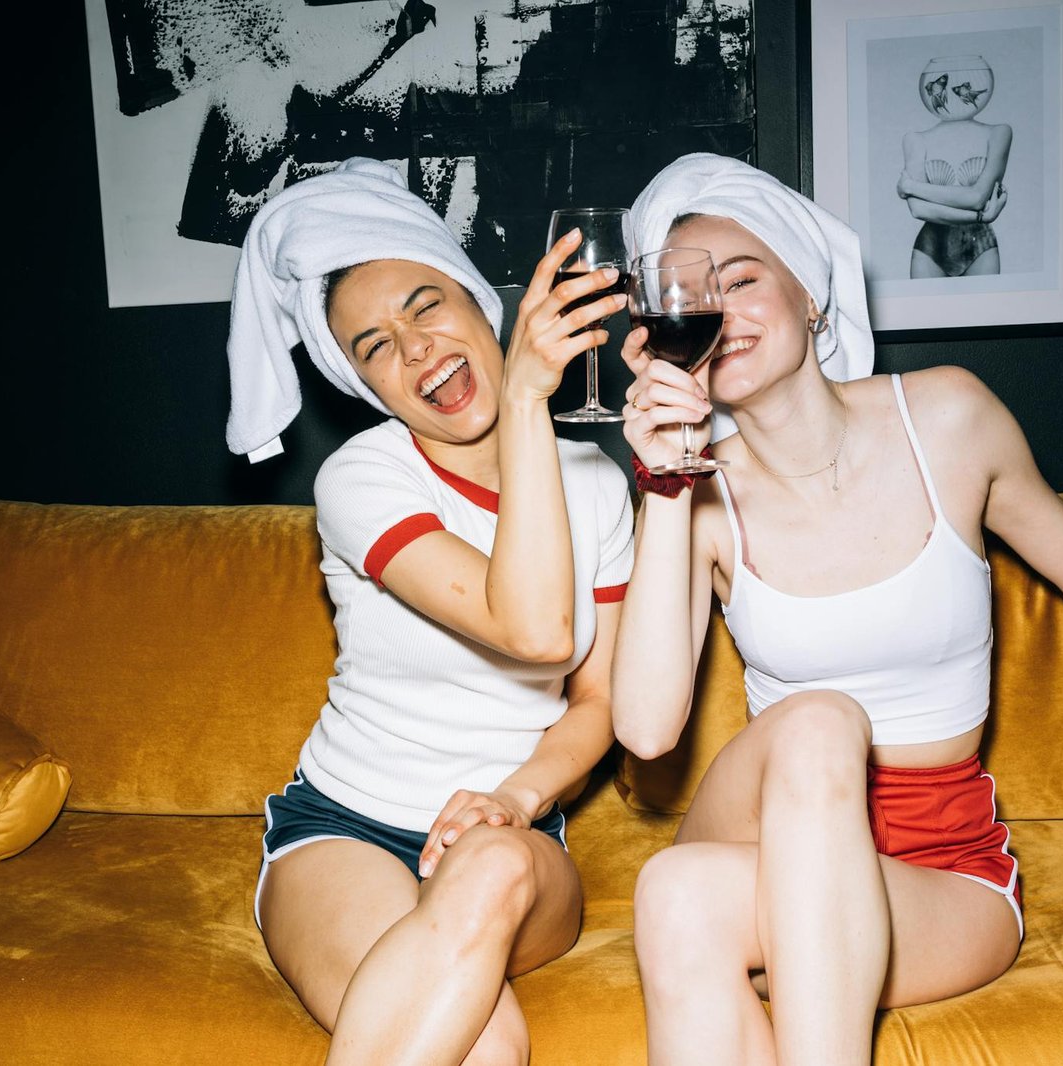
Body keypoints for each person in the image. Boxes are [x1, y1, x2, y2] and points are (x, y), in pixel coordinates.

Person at [610, 153, 1063, 1066]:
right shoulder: (701, 496)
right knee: (816, 721)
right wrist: (668, 482)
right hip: (762, 817)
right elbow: (645, 732)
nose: (718, 310)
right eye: (691, 293)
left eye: (744, 278)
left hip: (938, 868)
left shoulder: (948, 419)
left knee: (675, 894)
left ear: (814, 298)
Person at [225, 157, 635, 1065]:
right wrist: (529, 398)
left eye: (425, 306)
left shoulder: (598, 485)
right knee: (487, 1050)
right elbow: (530, 628)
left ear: (479, 301)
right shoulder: (363, 478)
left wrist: (514, 799)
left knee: (484, 864)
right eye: (373, 346)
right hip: (344, 831)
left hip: (514, 839)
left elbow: (597, 697)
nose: (413, 348)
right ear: (366, 385)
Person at [898, 55, 1012, 278]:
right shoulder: (914, 139)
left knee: (987, 313)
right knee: (927, 313)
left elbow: (978, 197)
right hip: (931, 248)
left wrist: (911, 186)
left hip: (980, 248)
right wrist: (981, 217)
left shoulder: (999, 132)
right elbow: (918, 209)